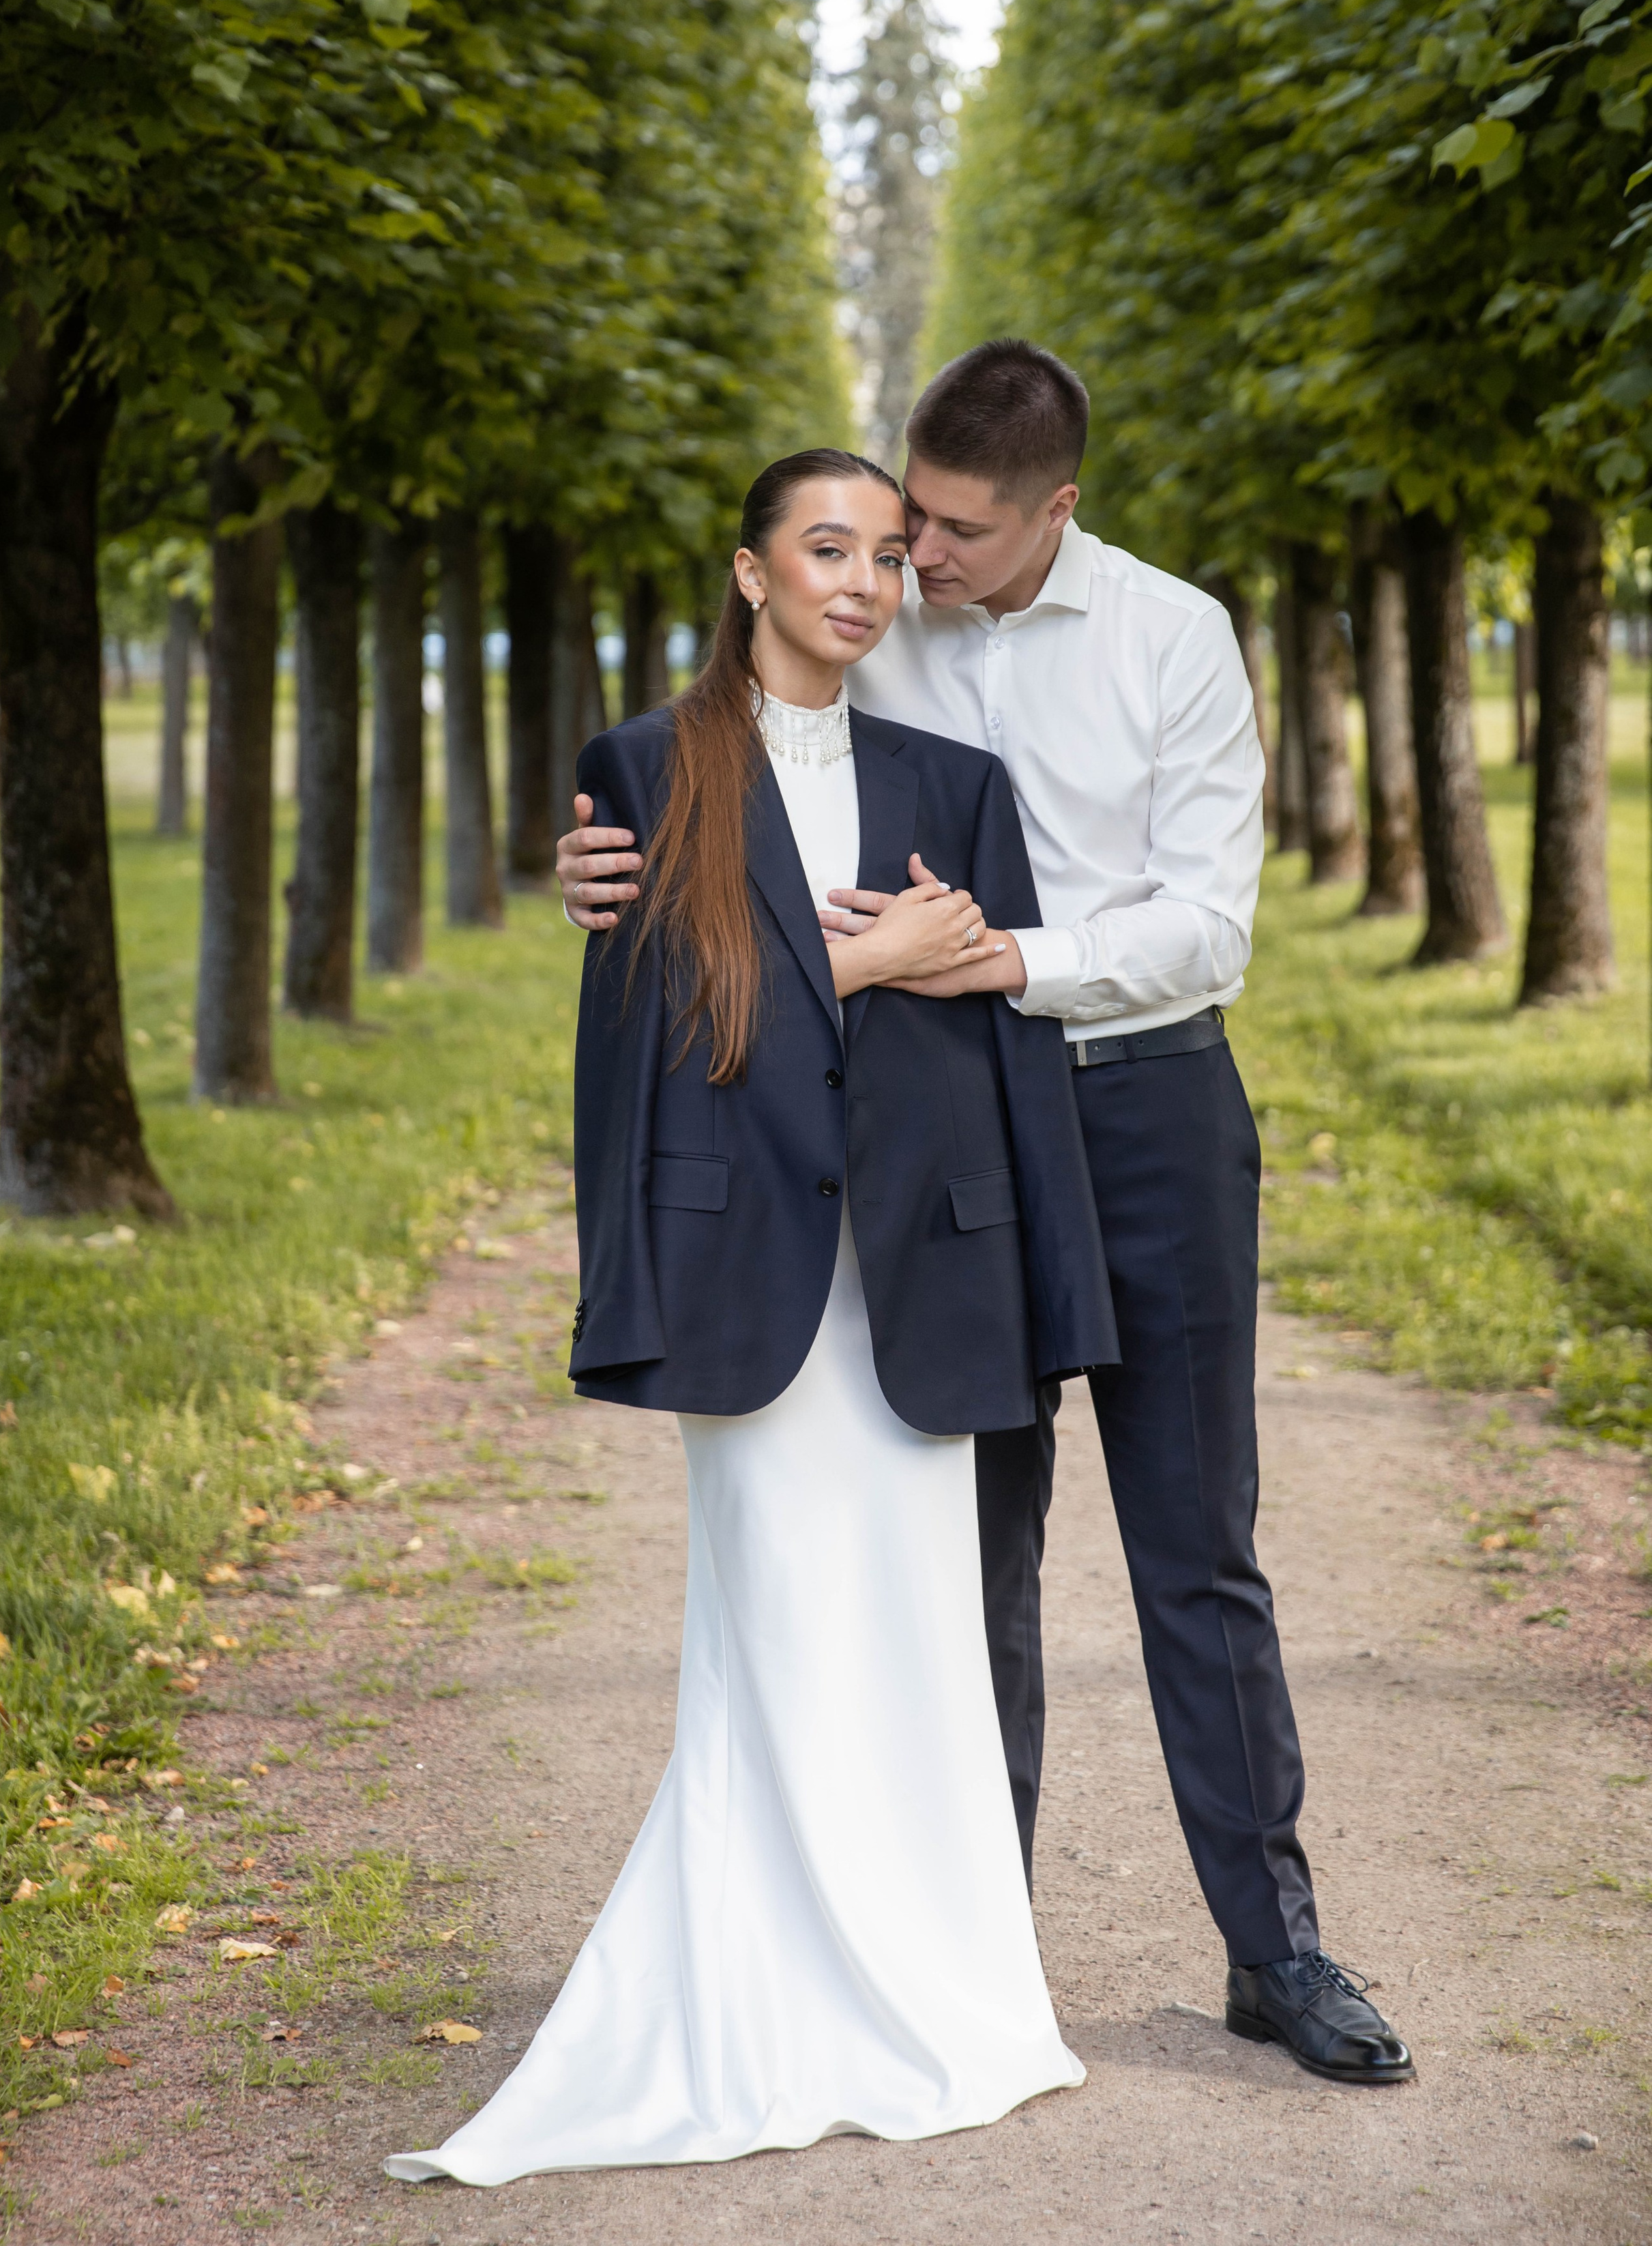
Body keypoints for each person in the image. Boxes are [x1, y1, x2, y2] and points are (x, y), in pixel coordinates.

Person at [559, 345, 1415, 2089]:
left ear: (1055, 513)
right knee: (974, 1551)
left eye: (945, 533)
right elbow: (733, 752)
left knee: (1197, 1548)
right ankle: (972, 1955)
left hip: (1147, 1100)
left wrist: (1005, 956)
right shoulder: (874, 612)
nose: (909, 561)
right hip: (942, 1124)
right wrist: (600, 863)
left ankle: (1275, 1952)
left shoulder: (1175, 635)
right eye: (892, 526)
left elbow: (1203, 924)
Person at [387, 448, 1118, 2191]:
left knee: (924, 1640)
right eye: (823, 550)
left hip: (920, 1274)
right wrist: (855, 962)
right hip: (752, 1285)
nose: (861, 582)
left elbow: (1002, 1065)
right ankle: (759, 2000)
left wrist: (1047, 1287)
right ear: (749, 571)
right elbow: (655, 1045)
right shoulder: (644, 770)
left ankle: (942, 1993)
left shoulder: (955, 778)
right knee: (775, 1637)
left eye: (883, 555)